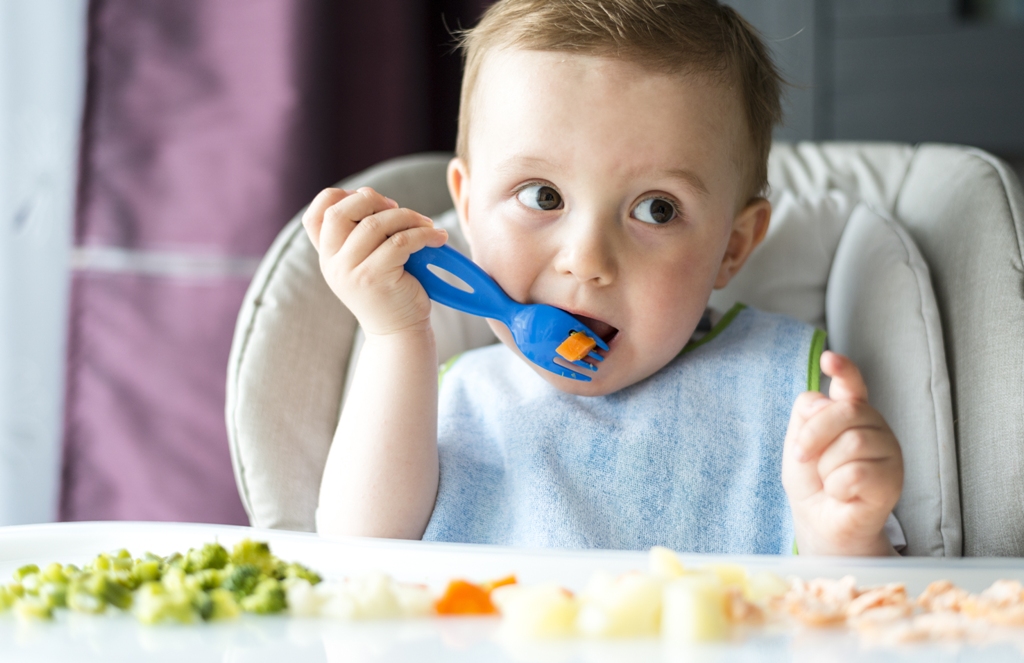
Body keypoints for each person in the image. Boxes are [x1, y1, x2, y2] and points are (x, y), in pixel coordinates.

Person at [303, 0, 904, 556]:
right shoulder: (447, 403)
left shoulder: (795, 401)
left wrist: (846, 536)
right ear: (467, 206)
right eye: (541, 196)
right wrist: (396, 335)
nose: (586, 259)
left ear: (733, 246)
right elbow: (359, 554)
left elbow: (867, 612)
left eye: (657, 209)